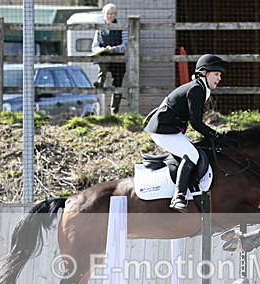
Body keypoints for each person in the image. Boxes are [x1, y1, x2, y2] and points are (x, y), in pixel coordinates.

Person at [144, 54, 228, 213]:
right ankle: (178, 196)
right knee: (192, 154)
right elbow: (196, 123)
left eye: (220, 75)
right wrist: (216, 136)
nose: (219, 78)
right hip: (162, 130)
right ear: (204, 73)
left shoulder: (201, 88)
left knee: (196, 152)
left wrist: (214, 136)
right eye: (216, 74)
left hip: (171, 129)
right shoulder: (196, 89)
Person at [91, 3, 127, 114]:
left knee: (117, 84)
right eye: (107, 14)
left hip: (118, 59)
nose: (110, 16)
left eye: (112, 14)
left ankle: (114, 111)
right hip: (105, 57)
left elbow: (125, 45)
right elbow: (94, 46)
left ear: (115, 15)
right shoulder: (99, 29)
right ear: (104, 14)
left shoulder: (122, 28)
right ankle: (100, 82)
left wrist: (114, 49)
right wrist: (101, 50)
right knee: (102, 60)